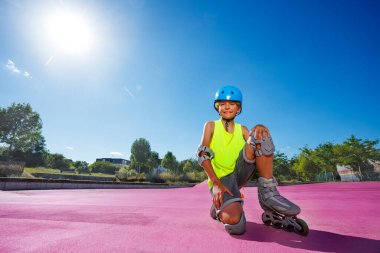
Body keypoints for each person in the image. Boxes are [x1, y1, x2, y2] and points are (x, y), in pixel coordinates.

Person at [196, 86, 303, 235]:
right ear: (217, 107)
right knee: (236, 224)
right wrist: (216, 184)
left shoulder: (243, 129)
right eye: (222, 104)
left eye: (232, 104)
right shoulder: (211, 125)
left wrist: (260, 127)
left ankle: (269, 195)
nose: (227, 107)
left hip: (240, 173)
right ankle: (220, 208)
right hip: (220, 180)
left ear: (238, 109)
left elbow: (258, 147)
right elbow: (202, 155)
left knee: (260, 134)